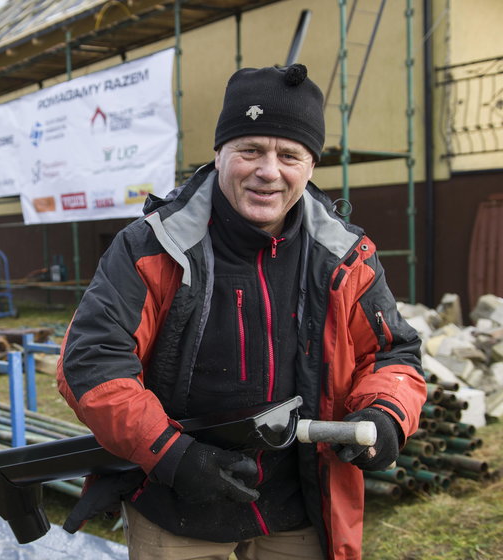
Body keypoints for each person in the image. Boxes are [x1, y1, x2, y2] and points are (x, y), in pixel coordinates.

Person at [56, 64, 427, 560]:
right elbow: (93, 364)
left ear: (311, 165)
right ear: (219, 154)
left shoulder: (345, 255)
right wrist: (171, 454)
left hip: (302, 505)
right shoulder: (150, 246)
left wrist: (386, 415)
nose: (268, 171)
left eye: (289, 155)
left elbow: (392, 354)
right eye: (250, 150)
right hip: (178, 499)